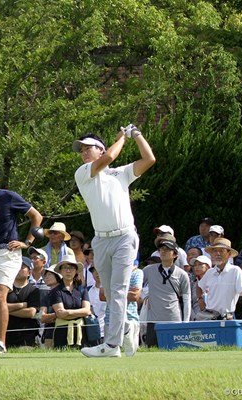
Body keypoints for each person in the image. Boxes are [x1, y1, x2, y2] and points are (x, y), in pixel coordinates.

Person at [73, 124, 156, 358]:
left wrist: (136, 135)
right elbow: (110, 155)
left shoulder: (120, 173)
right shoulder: (84, 172)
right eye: (81, 150)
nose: (83, 153)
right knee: (110, 294)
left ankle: (111, 346)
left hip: (125, 237)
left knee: (118, 291)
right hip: (100, 241)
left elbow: (149, 159)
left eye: (87, 148)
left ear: (98, 149)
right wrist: (122, 137)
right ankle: (126, 329)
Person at [0, 162, 42, 354]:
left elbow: (36, 216)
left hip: (9, 253)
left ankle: (0, 343)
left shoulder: (8, 196)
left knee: (1, 295)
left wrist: (27, 242)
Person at [142, 238, 191, 347]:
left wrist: (185, 323)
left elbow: (187, 299)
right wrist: (145, 296)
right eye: (161, 249)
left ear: (175, 254)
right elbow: (136, 284)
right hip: (153, 320)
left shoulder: (182, 274)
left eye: (167, 249)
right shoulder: (149, 270)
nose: (163, 251)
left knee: (174, 350)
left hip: (174, 319)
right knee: (152, 351)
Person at [197, 238, 242, 319]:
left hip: (227, 316)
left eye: (221, 251)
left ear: (229, 253)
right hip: (209, 316)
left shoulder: (235, 271)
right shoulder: (209, 272)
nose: (218, 254)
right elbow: (199, 286)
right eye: (215, 251)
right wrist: (200, 299)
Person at [48, 255, 91, 349]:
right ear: (60, 271)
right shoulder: (56, 291)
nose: (68, 271)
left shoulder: (82, 289)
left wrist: (68, 312)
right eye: (65, 268)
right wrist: (79, 312)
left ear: (76, 271)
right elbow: (60, 314)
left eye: (71, 268)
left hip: (81, 330)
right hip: (62, 331)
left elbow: (87, 311)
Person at [5, 258, 40, 348]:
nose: (18, 269)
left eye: (21, 267)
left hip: (27, 335)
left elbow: (31, 312)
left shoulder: (34, 291)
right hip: (6, 334)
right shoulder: (5, 289)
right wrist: (21, 305)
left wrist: (5, 310)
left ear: (29, 272)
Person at [39, 264, 62, 349]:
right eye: (45, 275)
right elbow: (42, 317)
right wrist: (59, 315)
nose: (46, 277)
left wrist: (51, 317)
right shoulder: (46, 296)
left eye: (50, 274)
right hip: (49, 334)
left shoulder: (65, 293)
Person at [189, 255, 211, 320]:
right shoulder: (192, 284)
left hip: (212, 319)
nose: (196, 267)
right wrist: (193, 317)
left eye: (200, 264)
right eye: (195, 265)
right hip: (195, 319)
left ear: (208, 267)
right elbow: (188, 302)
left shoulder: (214, 283)